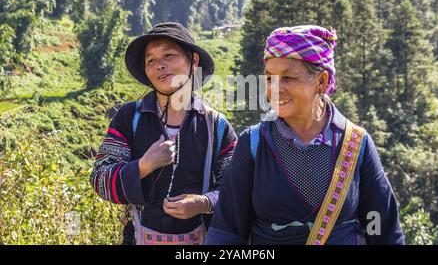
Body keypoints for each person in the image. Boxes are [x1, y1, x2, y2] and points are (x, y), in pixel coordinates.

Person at [205, 25, 405, 245]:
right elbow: (227, 229)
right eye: (270, 78)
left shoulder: (356, 144)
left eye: (288, 78)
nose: (275, 88)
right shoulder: (254, 143)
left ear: (322, 81)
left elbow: (382, 228)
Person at [90, 22, 237, 245]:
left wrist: (204, 202)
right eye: (151, 60)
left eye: (169, 55)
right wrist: (143, 166)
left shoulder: (215, 125)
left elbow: (235, 187)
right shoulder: (130, 117)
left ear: (194, 61)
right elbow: (100, 180)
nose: (159, 65)